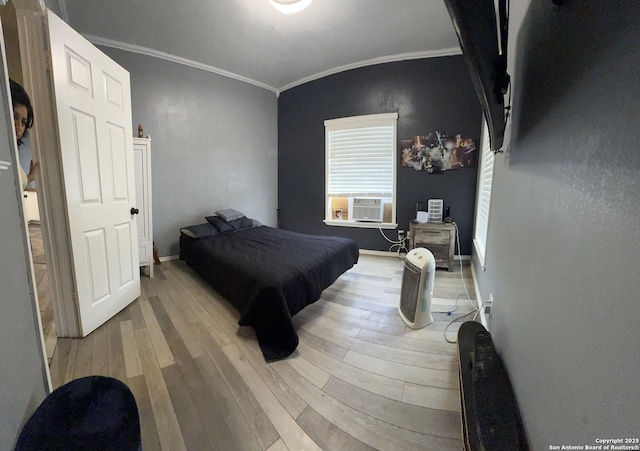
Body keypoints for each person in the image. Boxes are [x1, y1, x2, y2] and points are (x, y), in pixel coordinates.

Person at [10, 79, 38, 190]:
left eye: (23, 122)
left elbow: (15, 187)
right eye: (13, 116)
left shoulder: (12, 158)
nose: (19, 128)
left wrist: (30, 177)